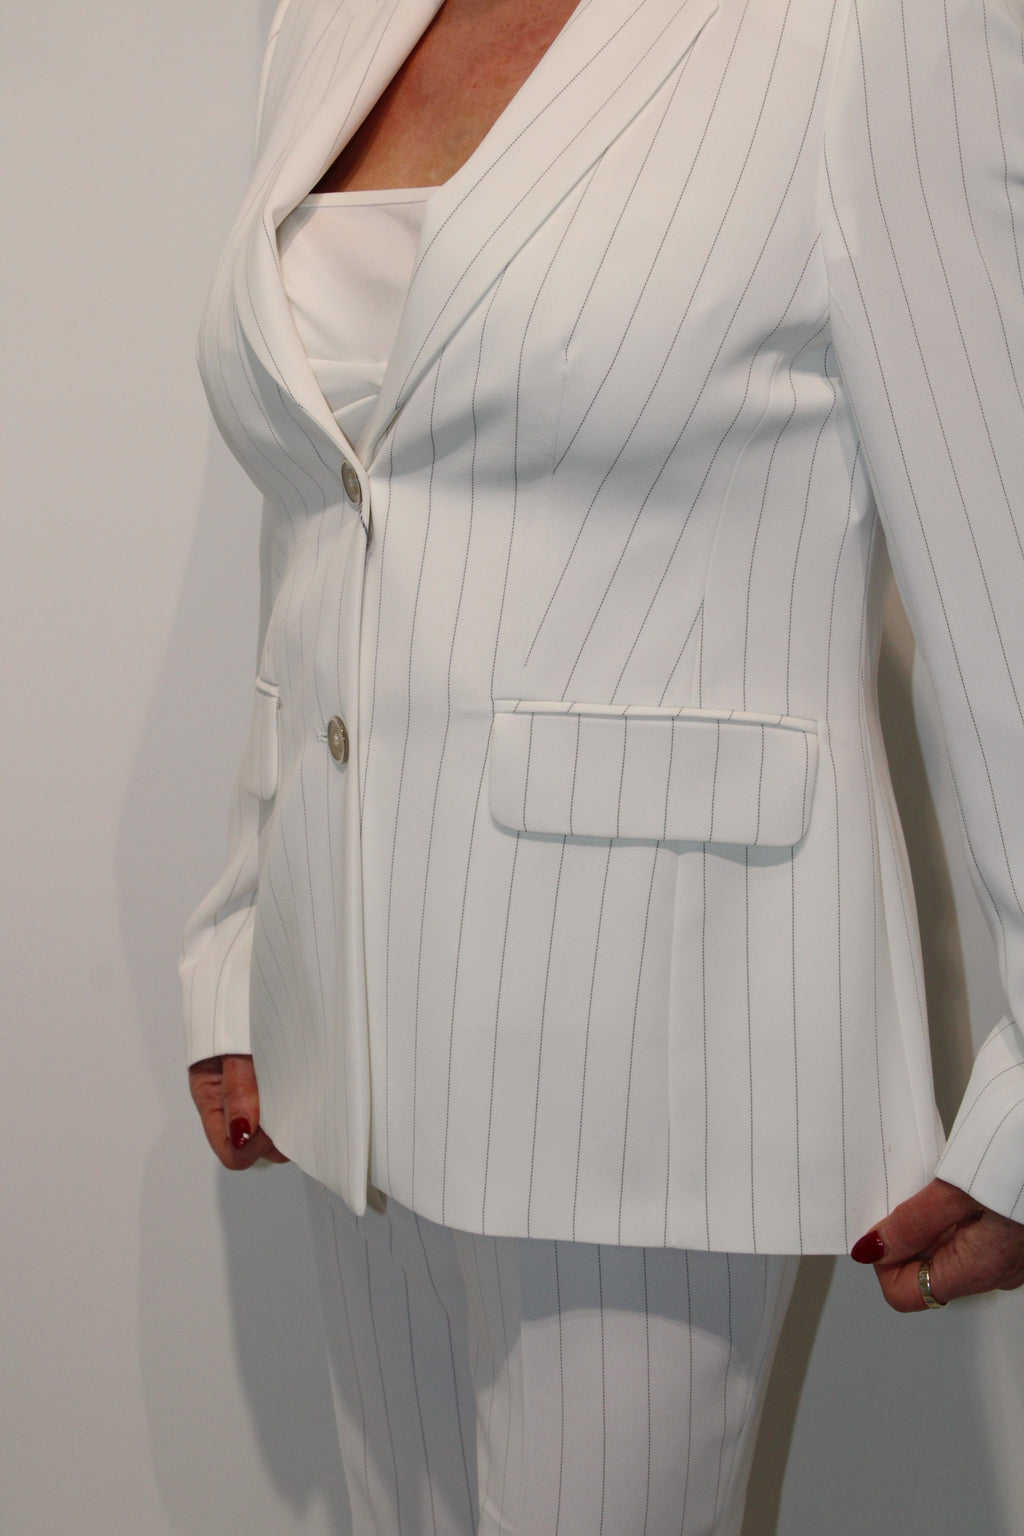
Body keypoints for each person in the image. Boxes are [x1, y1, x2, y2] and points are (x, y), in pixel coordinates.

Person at [183, 0, 1024, 1528]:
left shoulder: (871, 29)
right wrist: (250, 930)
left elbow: (1002, 573)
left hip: (660, 1048)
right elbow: (327, 504)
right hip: (347, 1033)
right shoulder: (325, 19)